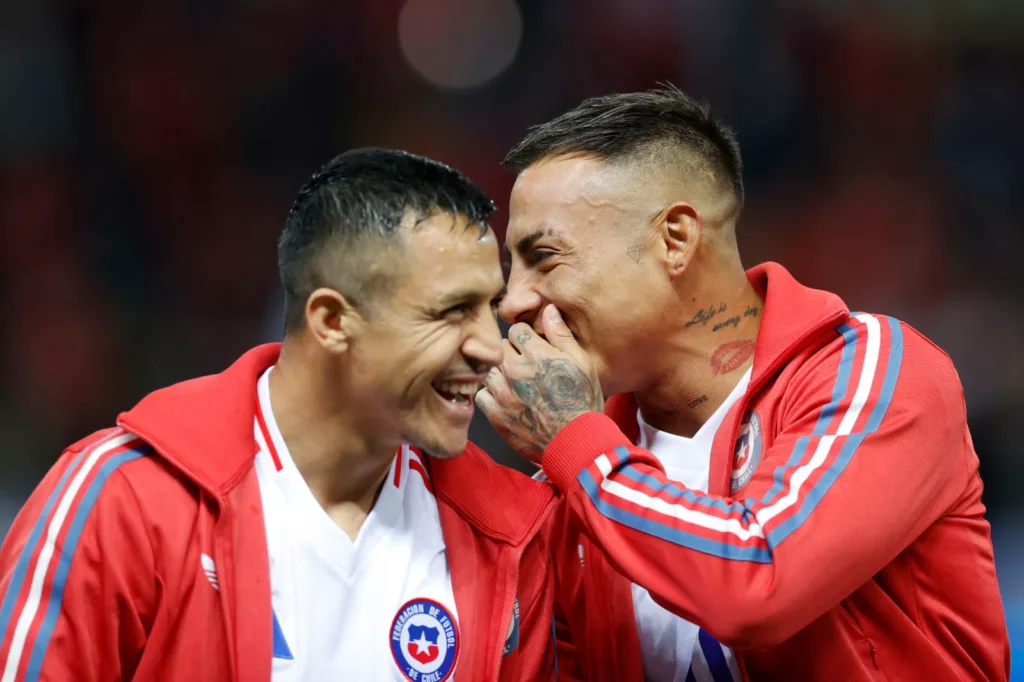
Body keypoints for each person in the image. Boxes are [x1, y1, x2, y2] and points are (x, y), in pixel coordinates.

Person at [475, 87, 1010, 681]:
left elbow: (759, 582)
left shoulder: (872, 371)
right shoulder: (575, 474)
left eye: (544, 258)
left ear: (674, 240)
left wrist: (578, 443)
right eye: (510, 270)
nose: (512, 301)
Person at [0, 148, 559, 682]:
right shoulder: (124, 504)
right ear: (332, 322)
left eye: (490, 307)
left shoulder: (509, 534)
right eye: (453, 311)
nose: (491, 345)